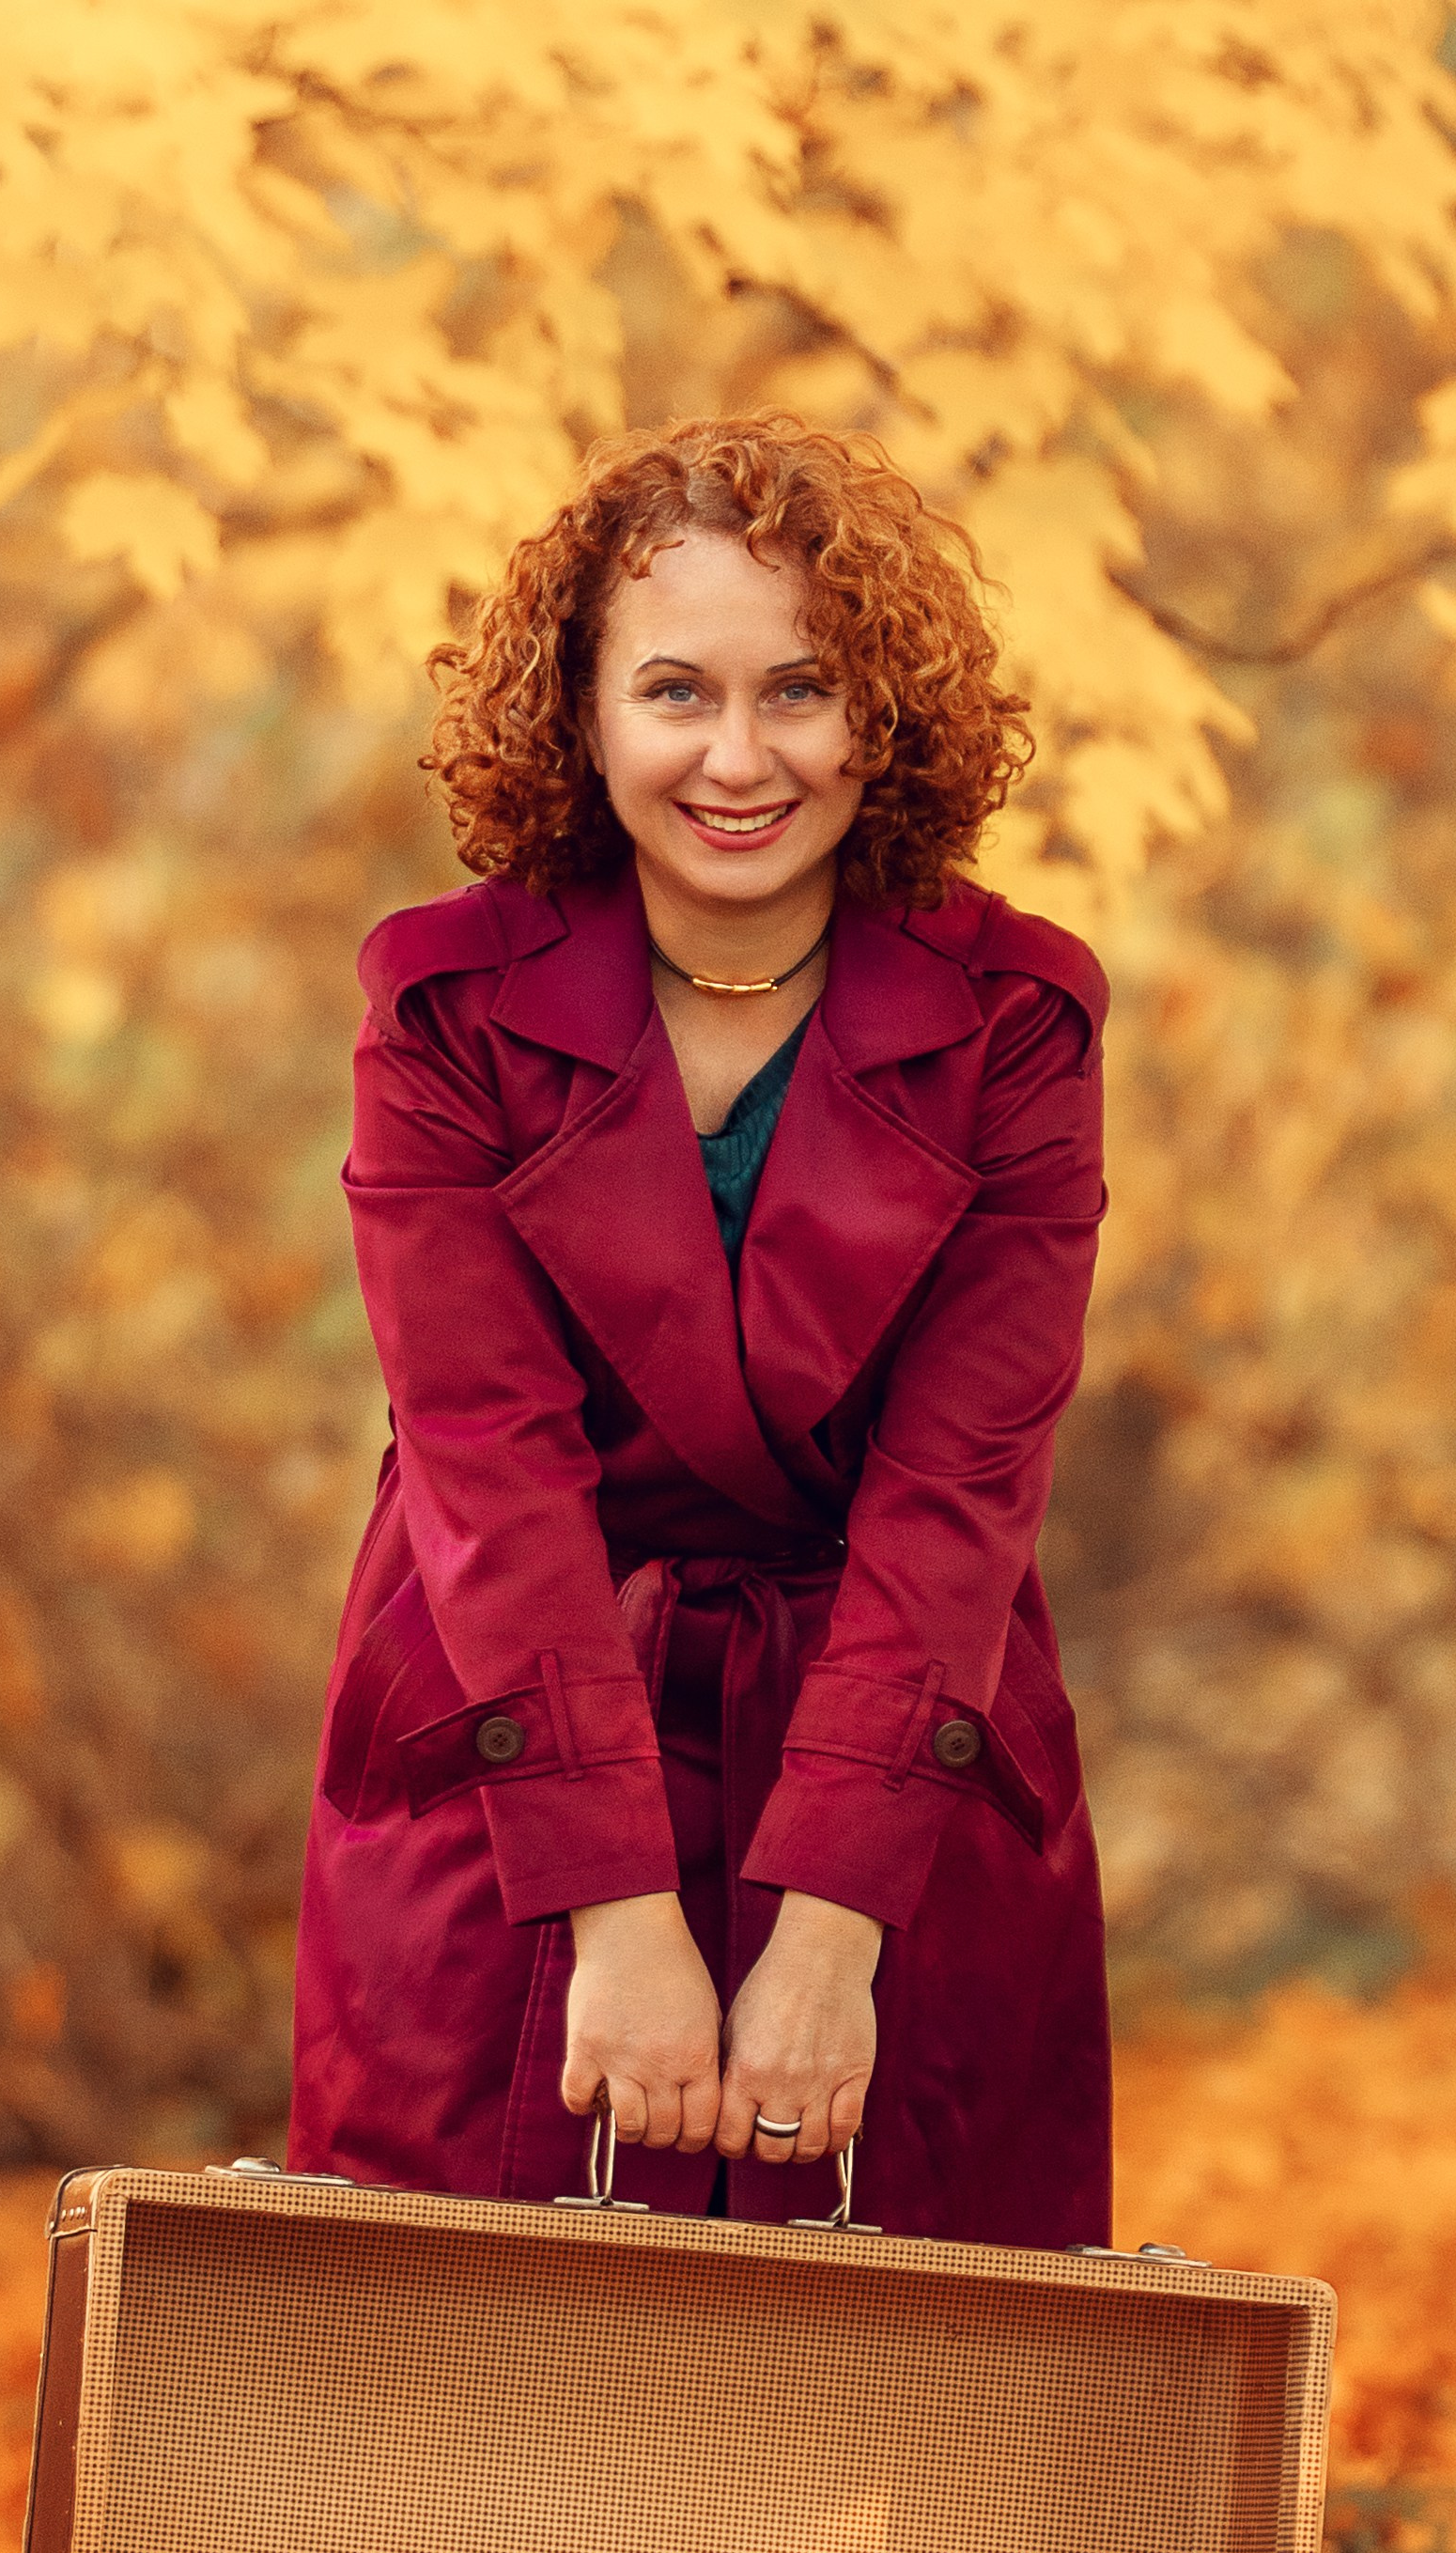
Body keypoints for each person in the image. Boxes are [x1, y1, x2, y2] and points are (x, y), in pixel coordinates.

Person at [290, 416, 1112, 2246]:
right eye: (675, 691)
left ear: (878, 716)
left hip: (889, 1742)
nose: (739, 759)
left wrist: (832, 1928)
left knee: (894, 2353)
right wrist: (612, 1903)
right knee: (467, 2345)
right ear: (582, 716)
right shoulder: (440, 1010)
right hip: (515, 1730)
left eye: (798, 690)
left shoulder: (1018, 1024)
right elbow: (485, 1464)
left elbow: (959, 1493)